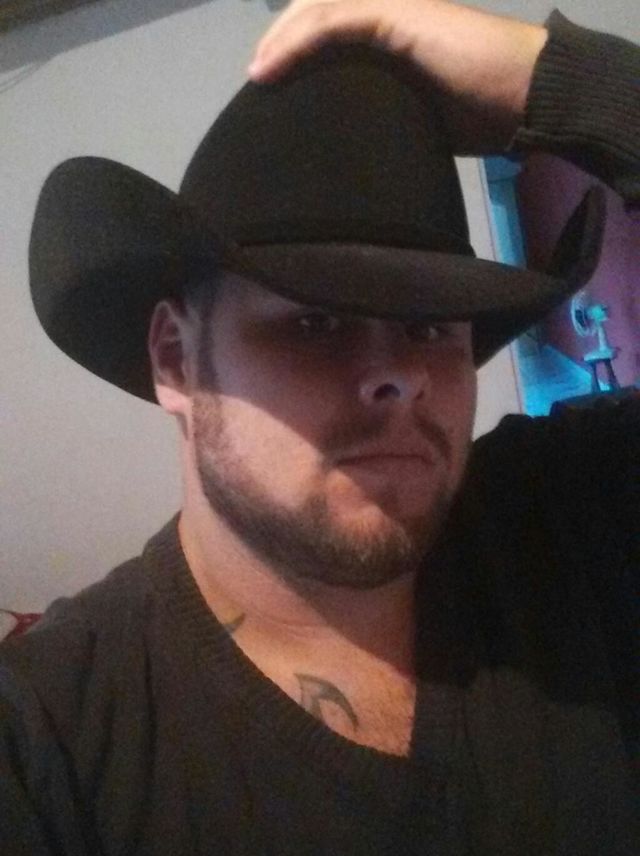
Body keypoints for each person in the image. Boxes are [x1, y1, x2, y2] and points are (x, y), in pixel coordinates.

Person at [1, 2, 638, 854]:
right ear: (175, 357)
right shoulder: (48, 743)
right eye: (315, 322)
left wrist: (558, 83)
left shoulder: (574, 519)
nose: (399, 375)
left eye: (431, 326)